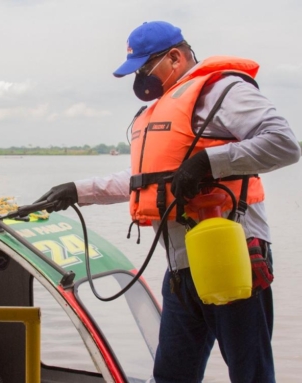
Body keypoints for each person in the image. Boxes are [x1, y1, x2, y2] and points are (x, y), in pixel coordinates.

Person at [35, 21, 301, 383]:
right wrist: (77, 191)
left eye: (145, 68)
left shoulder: (222, 90)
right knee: (171, 375)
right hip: (181, 269)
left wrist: (209, 162)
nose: (141, 78)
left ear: (175, 57)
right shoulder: (158, 112)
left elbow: (284, 144)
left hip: (233, 257)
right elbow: (144, 181)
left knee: (250, 374)